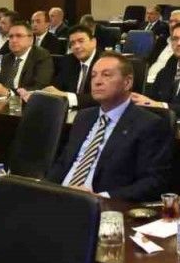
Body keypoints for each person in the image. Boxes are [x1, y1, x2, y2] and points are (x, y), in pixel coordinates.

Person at [45, 53, 172, 200]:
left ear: (127, 82)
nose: (97, 81)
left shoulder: (149, 124)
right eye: (93, 76)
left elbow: (153, 182)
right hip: (61, 198)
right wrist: (46, 189)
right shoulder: (83, 117)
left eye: (106, 75)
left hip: (103, 204)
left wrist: (101, 198)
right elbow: (63, 163)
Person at [0, 22, 53, 97]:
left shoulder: (41, 56)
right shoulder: (7, 58)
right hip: (5, 102)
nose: (14, 40)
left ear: (31, 39)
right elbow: (2, 86)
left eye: (19, 36)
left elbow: (39, 88)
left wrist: (9, 92)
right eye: (11, 36)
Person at [37, 25, 100, 108]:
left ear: (93, 42)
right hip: (67, 109)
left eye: (81, 41)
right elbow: (56, 87)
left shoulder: (104, 62)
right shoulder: (68, 60)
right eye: (72, 43)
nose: (77, 46)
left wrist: (67, 96)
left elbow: (101, 96)